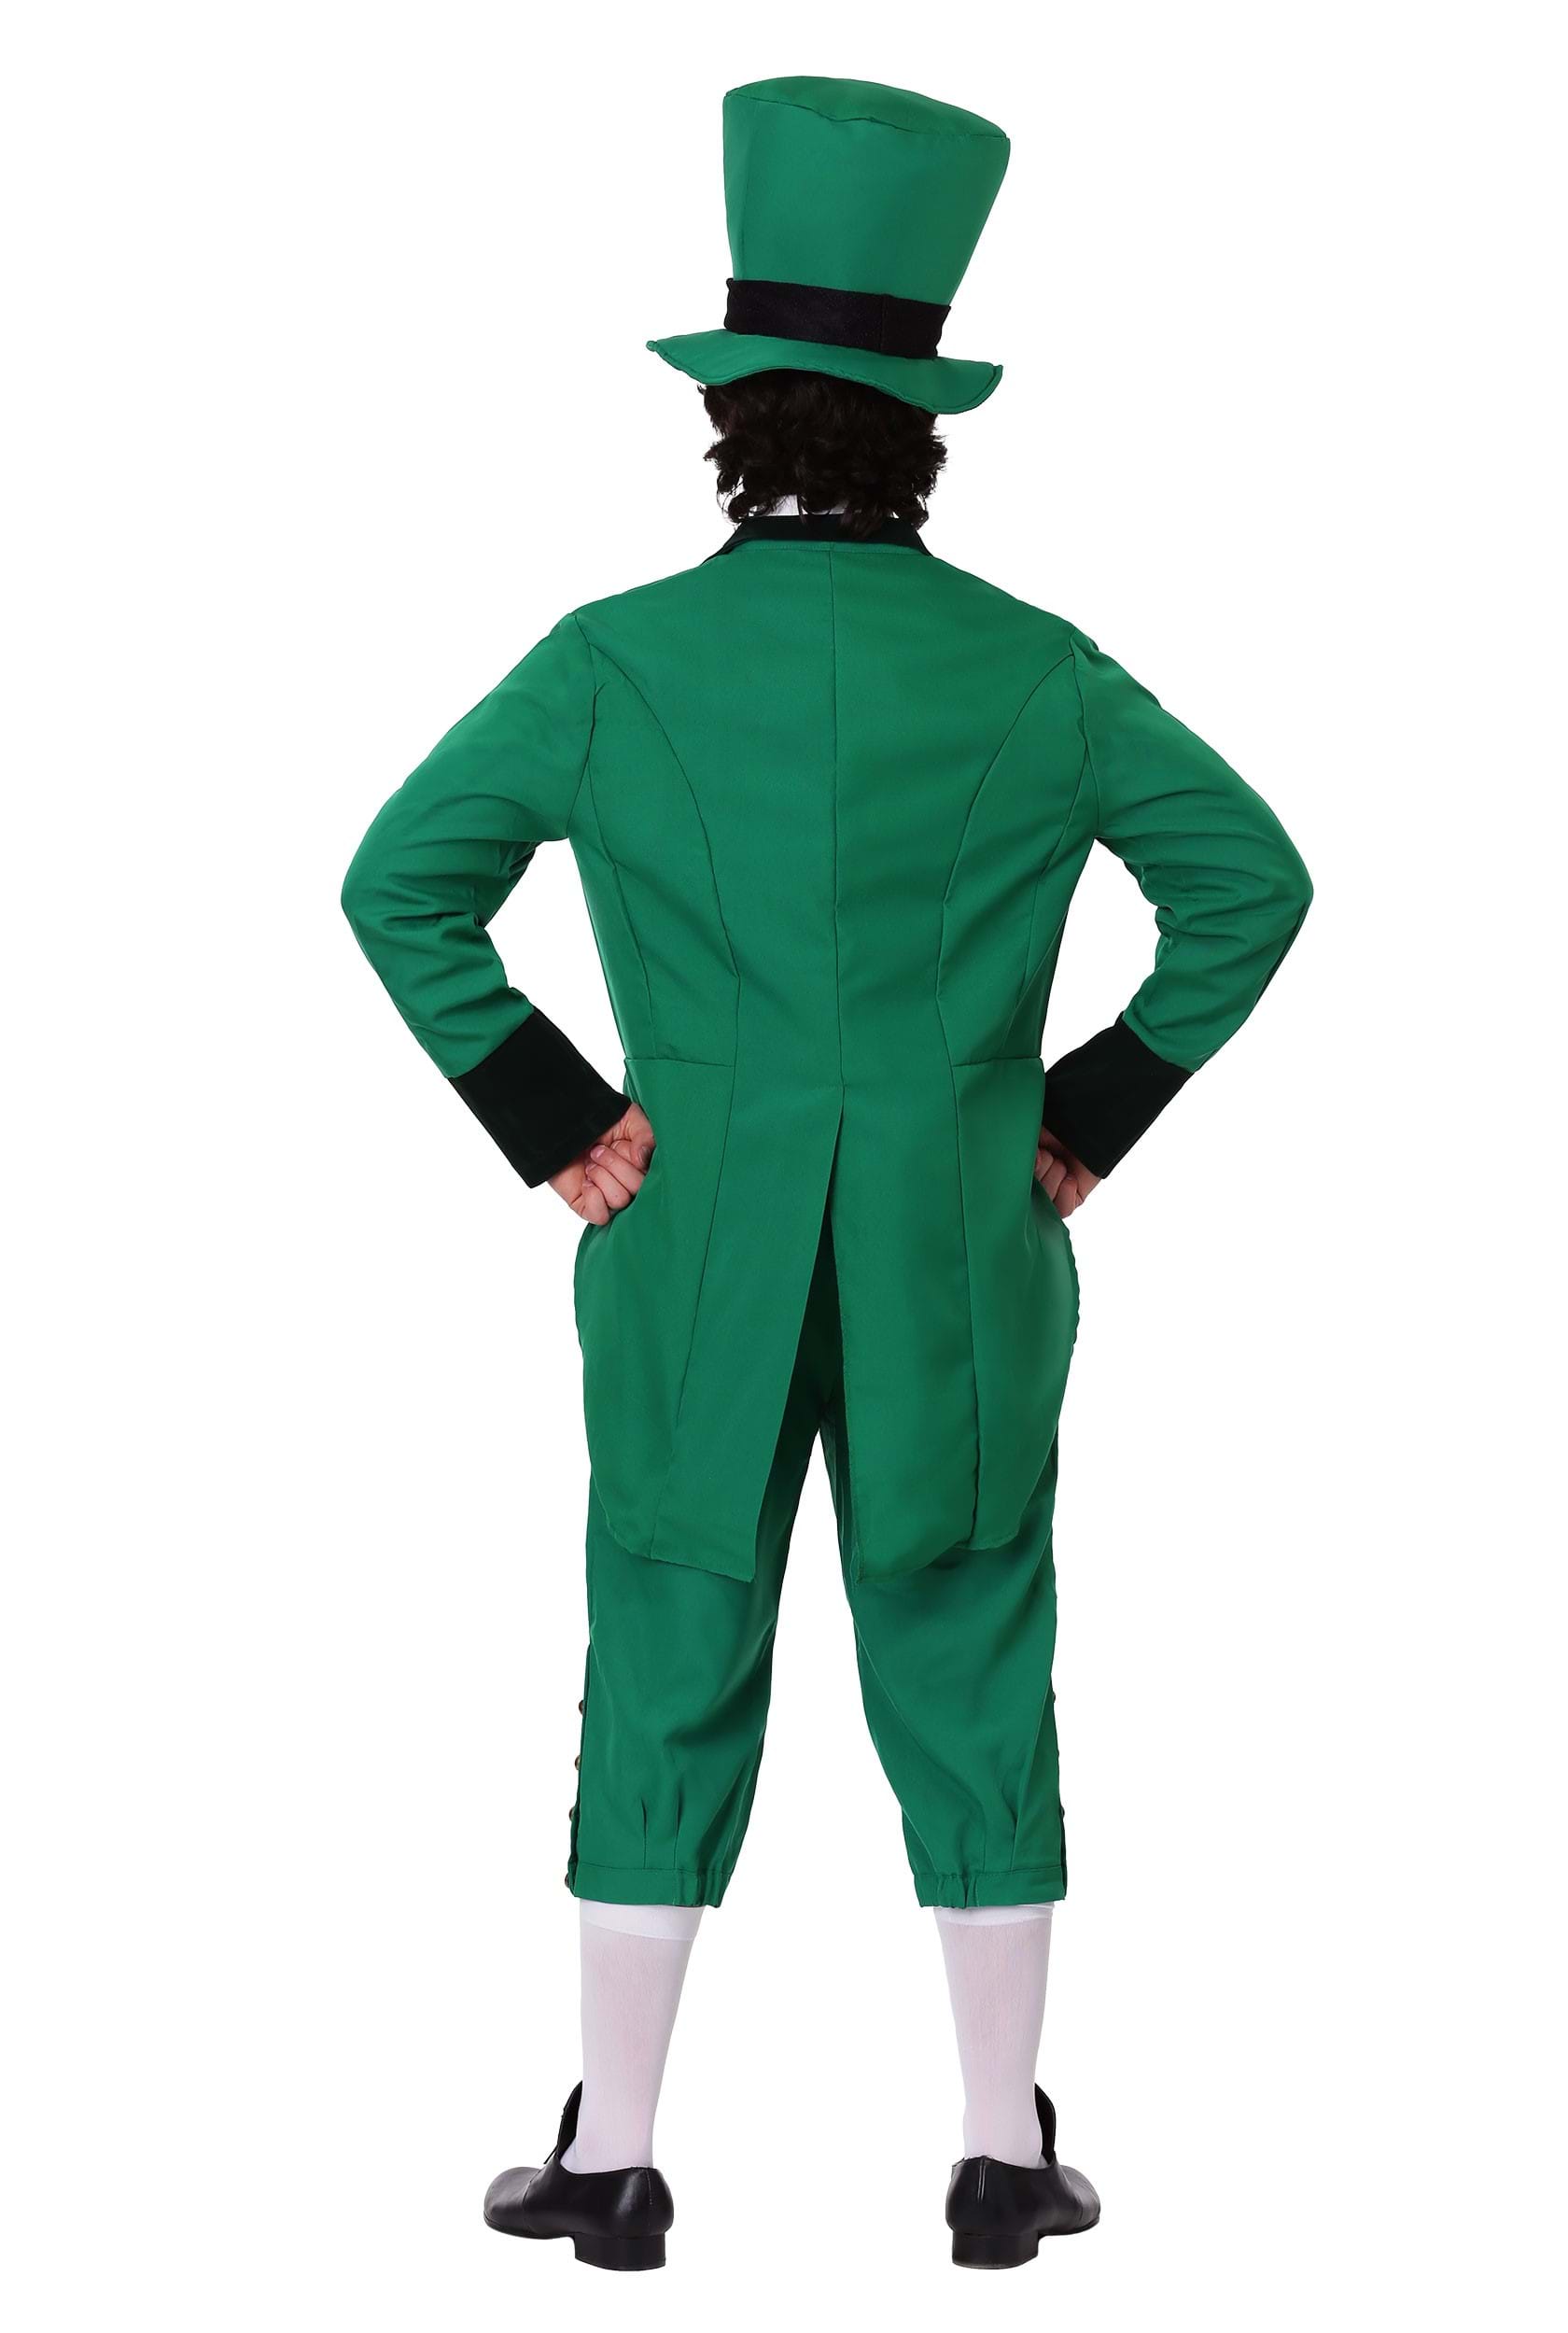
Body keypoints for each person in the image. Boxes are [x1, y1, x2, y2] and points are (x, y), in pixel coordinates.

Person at [342, 75, 1310, 2273]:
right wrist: (1086, 1105)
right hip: (960, 1230)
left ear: (727, 415)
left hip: (680, 1220)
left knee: (663, 1630)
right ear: (922, 430)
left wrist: (552, 1112)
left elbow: (400, 880)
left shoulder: (615, 659)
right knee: (965, 1639)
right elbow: (1250, 882)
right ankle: (995, 2151)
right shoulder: (1036, 671)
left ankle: (610, 2152)